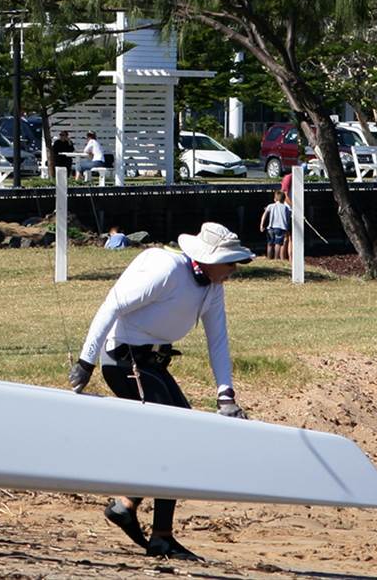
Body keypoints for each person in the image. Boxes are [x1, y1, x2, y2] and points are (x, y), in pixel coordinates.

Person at [69, 221, 255, 561]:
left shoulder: (212, 288)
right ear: (210, 258)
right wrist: (86, 362)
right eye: (230, 262)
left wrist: (225, 395)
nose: (233, 270)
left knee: (181, 436)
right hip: (124, 363)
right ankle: (159, 534)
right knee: (176, 436)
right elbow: (112, 305)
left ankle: (130, 507)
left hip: (152, 366)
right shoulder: (168, 272)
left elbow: (218, 342)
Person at [260, 190, 291, 260]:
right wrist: (287, 228)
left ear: (275, 199)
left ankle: (269, 258)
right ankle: (276, 258)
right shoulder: (286, 208)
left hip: (270, 228)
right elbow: (288, 218)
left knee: (270, 244)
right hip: (281, 228)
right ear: (284, 200)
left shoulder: (270, 206)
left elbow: (264, 215)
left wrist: (261, 225)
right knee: (278, 244)